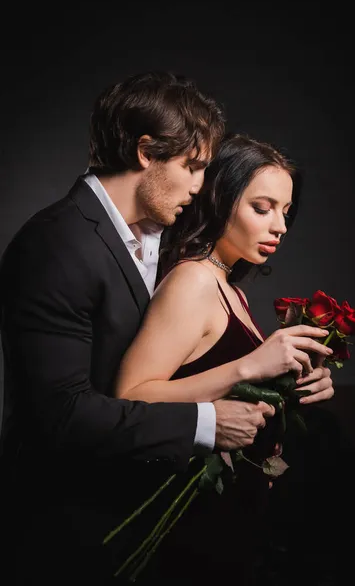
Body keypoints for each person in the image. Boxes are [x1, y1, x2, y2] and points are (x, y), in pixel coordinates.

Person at [0, 72, 278, 586]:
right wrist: (205, 424)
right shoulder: (55, 245)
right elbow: (58, 416)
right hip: (66, 529)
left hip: (139, 526)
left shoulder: (158, 239)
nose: (200, 187)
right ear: (146, 152)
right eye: (192, 167)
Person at [113, 133, 335, 584]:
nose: (281, 227)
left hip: (230, 523)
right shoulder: (192, 280)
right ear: (220, 200)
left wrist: (300, 382)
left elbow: (233, 391)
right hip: (190, 528)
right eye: (263, 207)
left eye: (286, 213)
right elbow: (130, 396)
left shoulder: (230, 289)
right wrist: (249, 366)